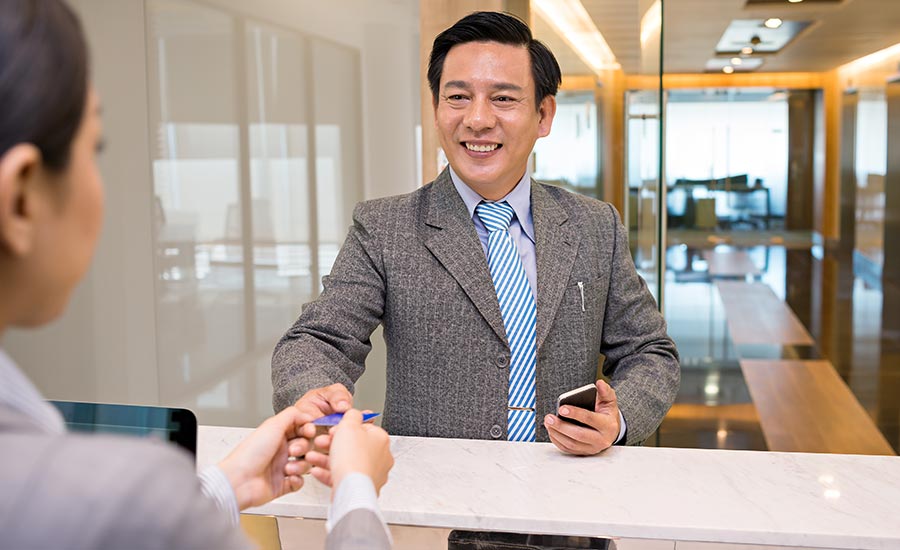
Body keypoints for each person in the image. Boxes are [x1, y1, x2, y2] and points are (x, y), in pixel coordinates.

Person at [0, 1, 392, 549]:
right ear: (21, 197)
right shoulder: (121, 496)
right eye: (95, 149)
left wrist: (219, 489)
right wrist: (355, 488)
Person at [273, 11, 679, 455]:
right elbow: (319, 338)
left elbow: (649, 350)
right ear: (436, 109)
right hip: (432, 488)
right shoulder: (385, 228)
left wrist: (618, 420)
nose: (478, 119)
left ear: (544, 115)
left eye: (503, 98)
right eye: (458, 97)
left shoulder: (595, 225)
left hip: (566, 485)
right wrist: (313, 392)